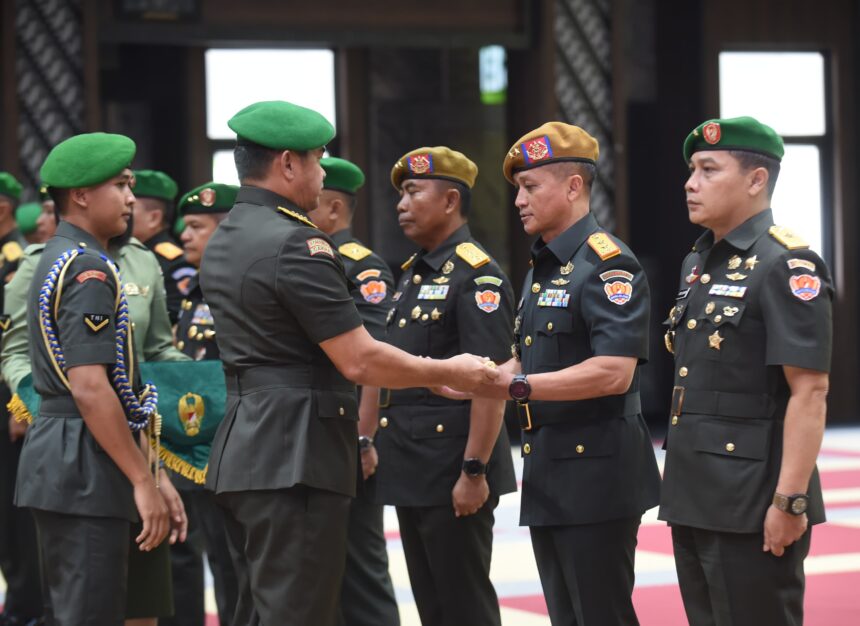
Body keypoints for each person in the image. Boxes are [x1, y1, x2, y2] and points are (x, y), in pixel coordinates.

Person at [200, 100, 499, 626]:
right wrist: (450, 371)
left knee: (256, 608)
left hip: (244, 446)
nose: (321, 172)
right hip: (296, 454)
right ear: (288, 164)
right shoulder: (297, 243)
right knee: (300, 612)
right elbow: (359, 360)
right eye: (317, 159)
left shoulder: (226, 235)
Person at [441, 122, 661, 625]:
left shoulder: (608, 265)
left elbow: (613, 372)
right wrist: (481, 377)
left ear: (574, 187)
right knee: (566, 614)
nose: (518, 198)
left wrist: (513, 386)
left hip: (598, 473)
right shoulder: (545, 266)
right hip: (552, 469)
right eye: (518, 187)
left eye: (530, 186)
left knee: (598, 613)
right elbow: (531, 356)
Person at [659, 116, 833, 626]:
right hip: (694, 490)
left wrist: (790, 501)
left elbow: (811, 390)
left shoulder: (787, 264)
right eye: (692, 170)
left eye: (709, 169)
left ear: (756, 181)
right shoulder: (700, 261)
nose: (691, 183)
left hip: (754, 498)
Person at [13, 133, 186, 625]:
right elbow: (91, 387)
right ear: (82, 195)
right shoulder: (87, 268)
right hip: (83, 465)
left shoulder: (65, 257)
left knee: (137, 611)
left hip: (96, 456)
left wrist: (154, 474)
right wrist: (141, 480)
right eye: (121, 185)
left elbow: (121, 389)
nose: (132, 197)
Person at [370, 146, 516, 626]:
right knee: (432, 604)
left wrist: (474, 469)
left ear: (450, 200)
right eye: (401, 194)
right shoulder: (413, 274)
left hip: (455, 466)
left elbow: (490, 383)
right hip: (414, 465)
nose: (401, 204)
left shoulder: (478, 277)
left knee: (464, 604)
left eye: (413, 191)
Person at [305, 157, 400, 626]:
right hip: (326, 433)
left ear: (334, 208)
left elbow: (373, 362)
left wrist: (363, 438)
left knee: (362, 573)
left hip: (350, 437)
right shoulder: (312, 256)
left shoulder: (360, 266)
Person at [163, 182, 240, 626]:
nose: (185, 236)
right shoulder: (196, 290)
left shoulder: (238, 289)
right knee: (209, 561)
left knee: (238, 567)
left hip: (234, 449)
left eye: (195, 227)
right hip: (196, 450)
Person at [0, 172, 40, 626]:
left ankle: (25, 605)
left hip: (10, 401)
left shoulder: (15, 259)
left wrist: (20, 405)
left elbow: (19, 340)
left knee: (17, 510)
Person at [131, 169, 196, 323]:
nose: (122, 211)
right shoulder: (127, 253)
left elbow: (175, 319)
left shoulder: (175, 264)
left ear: (154, 217)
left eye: (130, 207)